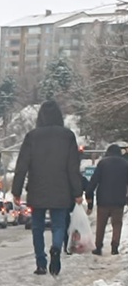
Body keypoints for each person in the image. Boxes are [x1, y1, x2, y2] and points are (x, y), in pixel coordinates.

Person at [11, 100, 83, 276]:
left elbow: (22, 166)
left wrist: (16, 191)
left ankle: (41, 263)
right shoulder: (68, 136)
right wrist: (77, 192)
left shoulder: (32, 136)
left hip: (37, 189)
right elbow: (73, 167)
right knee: (59, 225)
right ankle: (57, 248)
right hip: (61, 190)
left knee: (37, 227)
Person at [85, 143, 127, 255]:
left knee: (101, 224)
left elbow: (94, 181)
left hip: (103, 200)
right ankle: (115, 246)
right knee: (117, 224)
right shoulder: (125, 164)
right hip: (119, 200)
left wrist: (88, 193)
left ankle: (98, 247)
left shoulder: (102, 163)